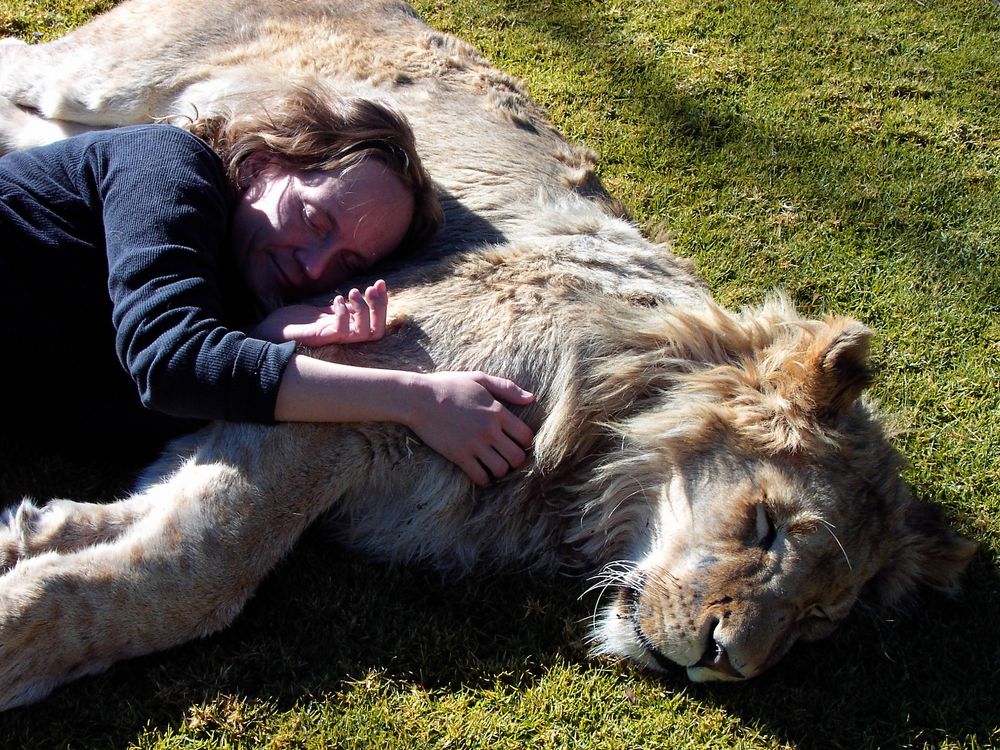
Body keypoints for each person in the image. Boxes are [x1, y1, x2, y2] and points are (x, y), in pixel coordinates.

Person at [0, 86, 533, 486]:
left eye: (346, 261)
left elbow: (111, 420)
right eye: (313, 218)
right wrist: (416, 398)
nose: (312, 264)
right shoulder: (169, 164)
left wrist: (260, 335)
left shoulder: (217, 297)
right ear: (263, 163)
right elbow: (172, 365)